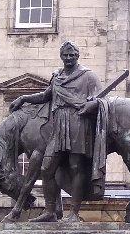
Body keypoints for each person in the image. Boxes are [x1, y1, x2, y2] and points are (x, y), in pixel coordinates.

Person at [10, 41, 103, 222]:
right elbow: (45, 96)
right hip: (58, 123)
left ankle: (74, 214)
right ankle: (50, 211)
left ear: (77, 56)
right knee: (46, 168)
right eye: (65, 55)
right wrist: (23, 98)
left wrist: (90, 105)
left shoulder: (88, 76)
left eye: (72, 55)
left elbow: (100, 100)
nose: (68, 58)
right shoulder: (57, 76)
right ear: (61, 56)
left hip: (78, 122)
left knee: (76, 166)